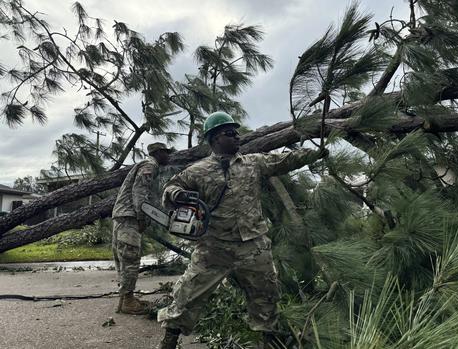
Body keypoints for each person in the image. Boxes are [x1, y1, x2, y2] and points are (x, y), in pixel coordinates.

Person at [157, 111, 328, 348]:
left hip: (254, 247)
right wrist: (175, 194)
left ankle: (268, 342)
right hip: (213, 248)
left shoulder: (253, 162)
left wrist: (316, 152)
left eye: (236, 132)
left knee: (266, 298)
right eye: (230, 133)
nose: (237, 137)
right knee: (186, 296)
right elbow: (170, 189)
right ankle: (168, 342)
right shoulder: (197, 170)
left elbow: (285, 160)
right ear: (215, 138)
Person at [112, 142, 172, 315]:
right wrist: (141, 216)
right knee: (130, 258)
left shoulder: (147, 165)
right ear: (158, 153)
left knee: (123, 259)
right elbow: (139, 192)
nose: (168, 156)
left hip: (123, 215)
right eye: (166, 153)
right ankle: (128, 301)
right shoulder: (149, 166)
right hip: (130, 216)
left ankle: (125, 299)